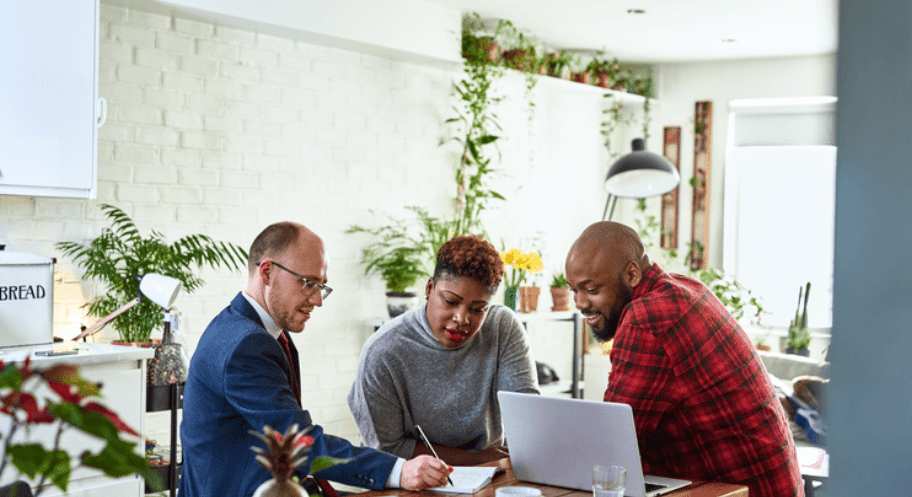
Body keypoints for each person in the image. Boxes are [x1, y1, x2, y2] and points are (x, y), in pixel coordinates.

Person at [178, 222, 451, 497]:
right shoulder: (246, 345)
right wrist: (399, 471)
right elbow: (298, 442)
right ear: (267, 272)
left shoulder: (244, 328)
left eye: (321, 286)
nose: (318, 299)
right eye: (308, 283)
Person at [564, 222, 803, 497]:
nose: (580, 303)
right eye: (574, 290)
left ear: (632, 274)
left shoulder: (647, 318)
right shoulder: (687, 287)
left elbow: (612, 447)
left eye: (591, 290)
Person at [348, 235, 539, 465]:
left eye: (478, 309)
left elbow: (527, 417)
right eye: (450, 301)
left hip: (491, 473)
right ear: (429, 289)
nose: (462, 319)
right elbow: (387, 449)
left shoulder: (502, 327)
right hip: (411, 478)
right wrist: (475, 459)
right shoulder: (383, 351)